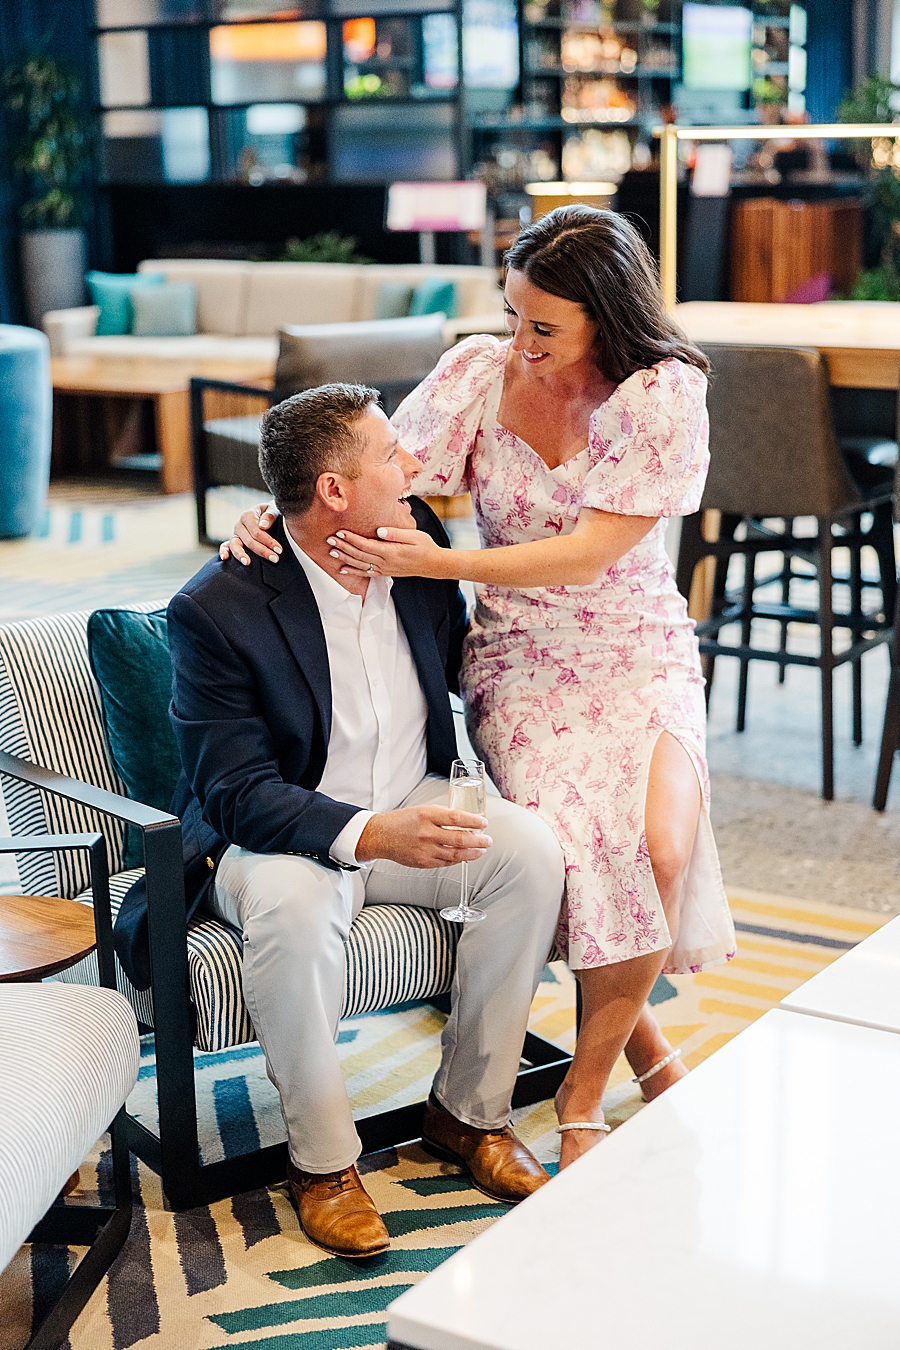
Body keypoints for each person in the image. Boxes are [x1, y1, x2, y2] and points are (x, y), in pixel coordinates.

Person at [222, 206, 736, 1171]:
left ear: (608, 318)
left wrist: (437, 566)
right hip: (521, 654)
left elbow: (588, 556)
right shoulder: (477, 371)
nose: (522, 345)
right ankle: (590, 1097)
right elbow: (374, 472)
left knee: (662, 845)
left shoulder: (663, 394)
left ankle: (610, 1066)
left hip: (637, 645)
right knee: (588, 852)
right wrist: (278, 507)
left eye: (545, 328)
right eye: (514, 317)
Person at [164, 382, 564, 1257]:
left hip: (409, 794)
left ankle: (469, 1114)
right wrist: (371, 834)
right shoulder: (216, 607)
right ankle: (323, 1164)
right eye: (391, 455)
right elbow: (232, 792)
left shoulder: (412, 539)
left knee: (530, 853)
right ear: (334, 491)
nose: (412, 465)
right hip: (281, 833)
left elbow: (463, 661)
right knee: (294, 908)